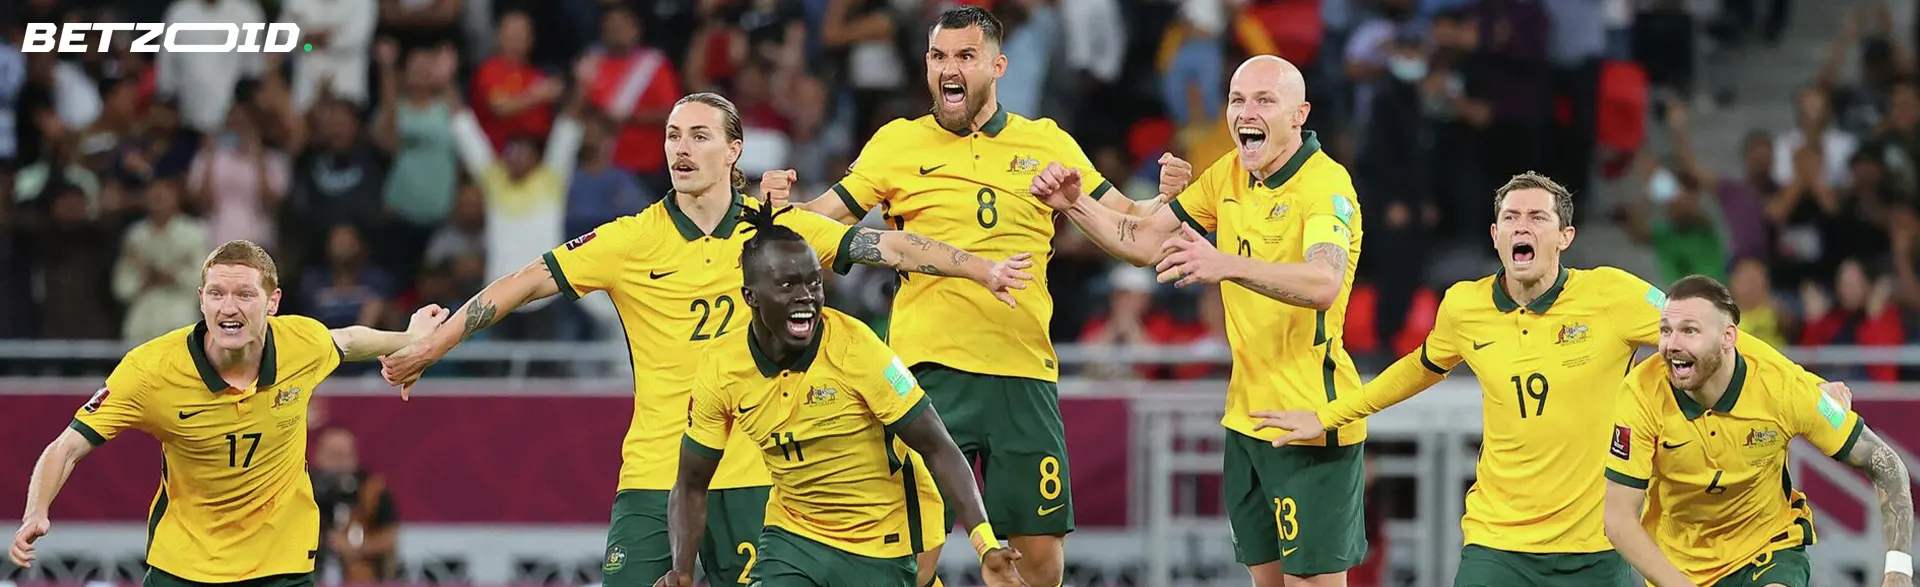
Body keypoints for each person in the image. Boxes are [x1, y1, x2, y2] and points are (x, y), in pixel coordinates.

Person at [378, 92, 1034, 587]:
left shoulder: (779, 233)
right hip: (658, 476)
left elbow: (884, 242)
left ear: (735, 149)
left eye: (698, 134)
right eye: (671, 135)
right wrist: (435, 345)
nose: (680, 147)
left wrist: (975, 265)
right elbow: (523, 282)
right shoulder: (630, 239)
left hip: (760, 479)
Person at [1251, 172, 1853, 586]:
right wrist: (1331, 414)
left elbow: (1711, 329)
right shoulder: (1464, 307)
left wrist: (1806, 386)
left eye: (1538, 217)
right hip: (1498, 546)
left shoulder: (1611, 296)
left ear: (1564, 237)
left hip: (1601, 547)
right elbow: (1418, 368)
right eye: (1510, 216)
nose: (1523, 225)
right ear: (1494, 236)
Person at [764, 8, 1179, 585]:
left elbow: (1129, 222)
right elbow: (819, 221)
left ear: (997, 65)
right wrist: (779, 206)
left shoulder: (1046, 141)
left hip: (1022, 369)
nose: (948, 69)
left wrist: (1165, 200)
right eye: (938, 57)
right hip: (925, 376)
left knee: (1040, 561)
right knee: (913, 552)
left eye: (964, 56)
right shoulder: (898, 143)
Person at [1029, 54, 1366, 586]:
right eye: (1236, 99)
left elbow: (1324, 283)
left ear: (1299, 114)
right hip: (1245, 420)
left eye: (1264, 100)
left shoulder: (1325, 186)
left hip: (1311, 422)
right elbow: (1142, 240)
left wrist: (1223, 263)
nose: (1245, 111)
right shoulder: (1229, 172)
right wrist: (1074, 206)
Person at [7, 240, 446, 587]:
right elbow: (67, 446)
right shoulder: (150, 371)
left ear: (272, 302)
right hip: (184, 567)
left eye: (243, 295)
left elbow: (347, 340)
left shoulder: (300, 343)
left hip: (281, 565)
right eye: (216, 293)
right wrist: (36, 511)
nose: (228, 308)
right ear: (201, 299)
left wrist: (406, 338)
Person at [656, 201, 1024, 587]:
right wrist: (681, 570)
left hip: (884, 539)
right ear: (750, 296)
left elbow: (937, 446)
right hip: (794, 536)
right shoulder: (721, 365)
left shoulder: (858, 349)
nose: (807, 297)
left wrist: (985, 544)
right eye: (787, 285)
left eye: (814, 282)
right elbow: (692, 481)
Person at [1603, 275, 1915, 587]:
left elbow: (1885, 463)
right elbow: (1618, 520)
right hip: (1678, 567)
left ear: (1728, 337)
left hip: (1767, 552)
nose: (1672, 344)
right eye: (1666, 331)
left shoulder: (1785, 389)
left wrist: (1898, 571)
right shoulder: (1640, 393)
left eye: (1690, 331)